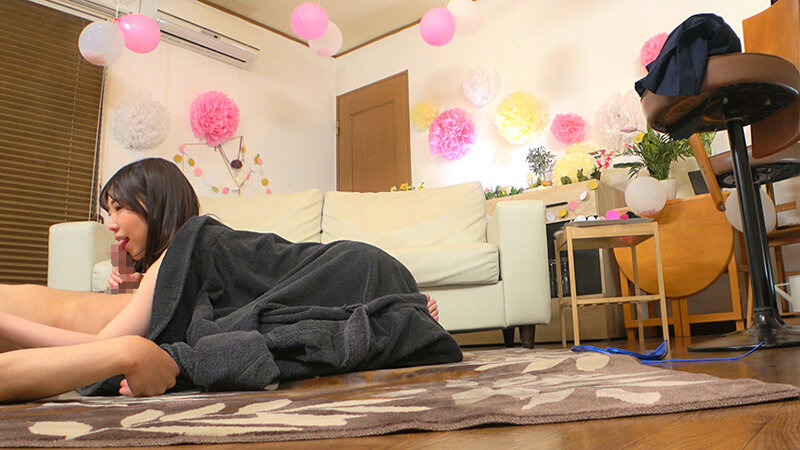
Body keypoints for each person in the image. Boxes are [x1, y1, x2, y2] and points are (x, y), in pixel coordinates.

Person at [0, 158, 458, 403]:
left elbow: (101, 348)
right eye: (106, 213)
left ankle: (399, 309)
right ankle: (399, 311)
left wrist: (6, 324)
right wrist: (129, 272)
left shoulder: (185, 251)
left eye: (119, 208)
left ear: (156, 204)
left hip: (353, 267)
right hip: (367, 265)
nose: (111, 224)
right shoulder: (168, 266)